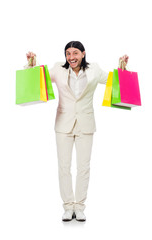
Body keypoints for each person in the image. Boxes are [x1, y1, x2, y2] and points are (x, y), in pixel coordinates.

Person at [26, 41, 129, 222]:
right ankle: (68, 207)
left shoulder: (94, 70)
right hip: (63, 124)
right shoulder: (58, 69)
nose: (71, 57)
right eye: (68, 53)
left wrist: (122, 68)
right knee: (64, 167)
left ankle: (79, 207)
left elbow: (114, 80)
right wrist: (32, 65)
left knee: (83, 167)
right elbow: (39, 79)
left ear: (83, 53)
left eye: (75, 53)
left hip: (86, 124)